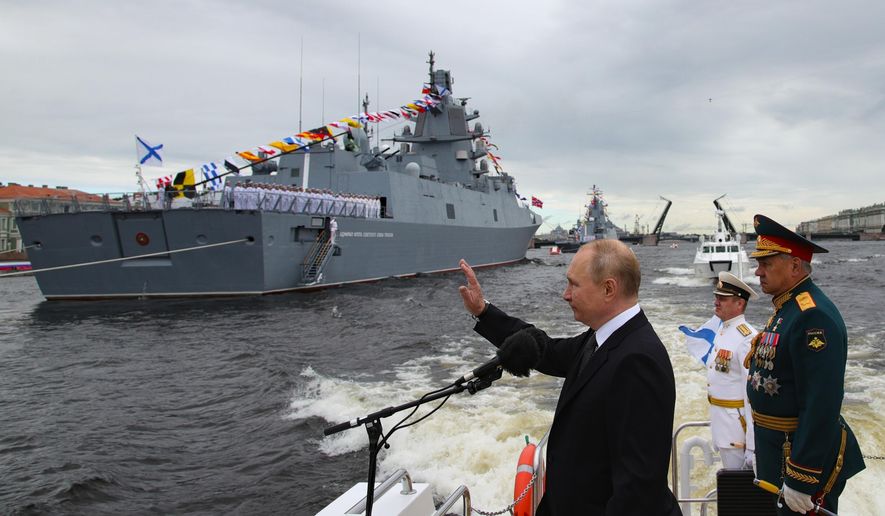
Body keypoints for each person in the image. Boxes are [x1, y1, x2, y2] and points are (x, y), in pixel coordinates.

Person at [458, 240, 681, 516]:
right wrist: (484, 312)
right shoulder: (601, 337)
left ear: (608, 289)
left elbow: (636, 492)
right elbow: (546, 350)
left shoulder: (638, 361)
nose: (565, 294)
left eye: (574, 285)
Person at [747, 214, 865, 514]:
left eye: (766, 263)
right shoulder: (787, 307)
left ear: (795, 265)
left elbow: (821, 402)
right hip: (778, 451)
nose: (758, 271)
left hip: (799, 458)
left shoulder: (812, 316)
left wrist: (802, 476)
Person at [679, 271, 758, 470]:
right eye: (716, 297)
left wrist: (753, 445)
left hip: (737, 429)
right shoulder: (723, 331)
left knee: (740, 492)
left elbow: (752, 395)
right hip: (723, 424)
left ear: (739, 304)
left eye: (723, 298)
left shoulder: (746, 338)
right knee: (732, 489)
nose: (716, 301)